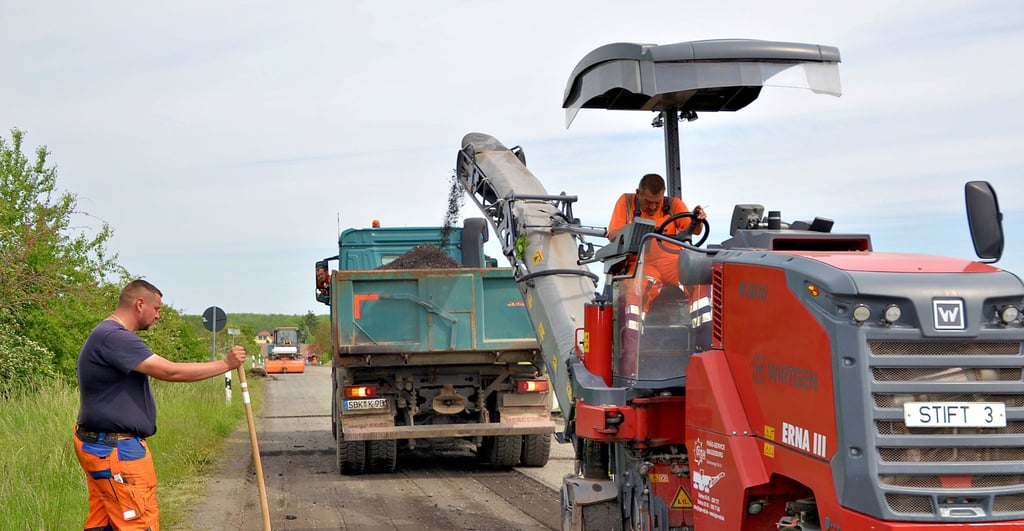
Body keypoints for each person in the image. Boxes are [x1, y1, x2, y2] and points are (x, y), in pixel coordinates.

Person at [73, 279, 247, 531]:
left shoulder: (106, 334)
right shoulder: (115, 337)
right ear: (139, 304)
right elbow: (170, 371)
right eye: (157, 309)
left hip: (101, 444)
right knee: (138, 522)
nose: (158, 316)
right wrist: (225, 365)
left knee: (105, 523)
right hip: (115, 450)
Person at [607, 173, 706, 294]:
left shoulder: (673, 204)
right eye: (648, 202)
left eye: (657, 202)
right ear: (638, 193)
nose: (653, 207)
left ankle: (702, 313)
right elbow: (612, 235)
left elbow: (696, 230)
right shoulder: (626, 202)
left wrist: (698, 219)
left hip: (673, 264)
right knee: (637, 288)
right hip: (641, 263)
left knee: (697, 281)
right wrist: (637, 232)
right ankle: (633, 313)